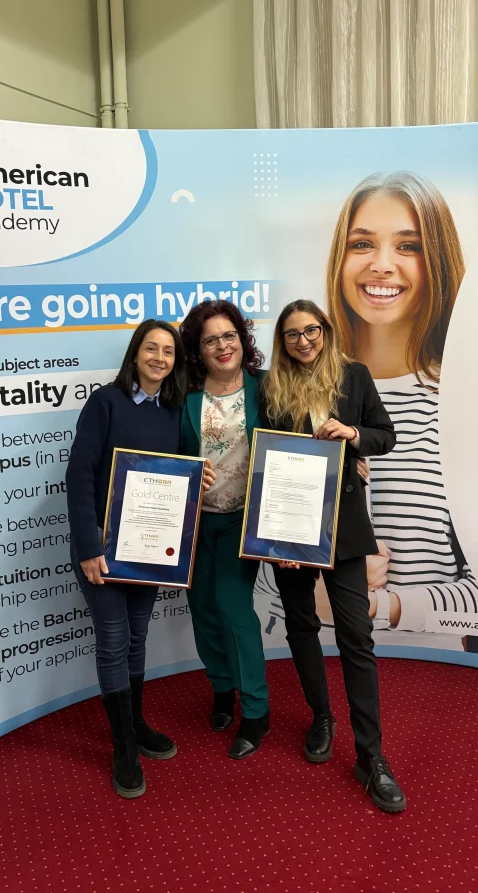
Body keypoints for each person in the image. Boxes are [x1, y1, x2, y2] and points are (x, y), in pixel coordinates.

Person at [326, 171, 478, 643]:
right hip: (316, 661)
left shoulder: (463, 403)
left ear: (436, 260)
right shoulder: (306, 397)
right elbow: (262, 572)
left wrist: (377, 604)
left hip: (431, 667)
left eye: (408, 246)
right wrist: (316, 585)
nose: (381, 265)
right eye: (362, 244)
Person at [261, 299, 406, 813]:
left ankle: (372, 756)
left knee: (356, 636)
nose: (303, 341)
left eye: (311, 330)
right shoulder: (270, 388)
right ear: (282, 341)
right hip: (289, 529)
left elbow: (386, 435)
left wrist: (354, 436)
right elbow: (263, 458)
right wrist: (274, 537)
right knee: (301, 624)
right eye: (292, 334)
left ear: (324, 330)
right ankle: (321, 716)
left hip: (344, 525)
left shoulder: (354, 376)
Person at [66, 320, 214, 799]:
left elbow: (175, 476)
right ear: (135, 354)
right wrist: (89, 547)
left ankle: (136, 722)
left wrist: (196, 478)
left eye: (168, 351)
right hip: (103, 550)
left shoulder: (172, 410)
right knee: (113, 640)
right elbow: (79, 476)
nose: (159, 358)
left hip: (148, 551)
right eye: (151, 348)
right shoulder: (105, 403)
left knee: (135, 637)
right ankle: (124, 746)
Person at [179, 300, 270, 760]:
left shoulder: (266, 387)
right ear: (198, 350)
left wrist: (352, 457)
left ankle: (256, 709)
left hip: (243, 519)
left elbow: (302, 434)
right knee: (202, 608)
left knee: (234, 609)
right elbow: (169, 454)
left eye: (228, 335)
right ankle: (221, 688)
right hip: (195, 521)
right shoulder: (186, 395)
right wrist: (188, 474)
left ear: (242, 338)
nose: (222, 345)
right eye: (210, 339)